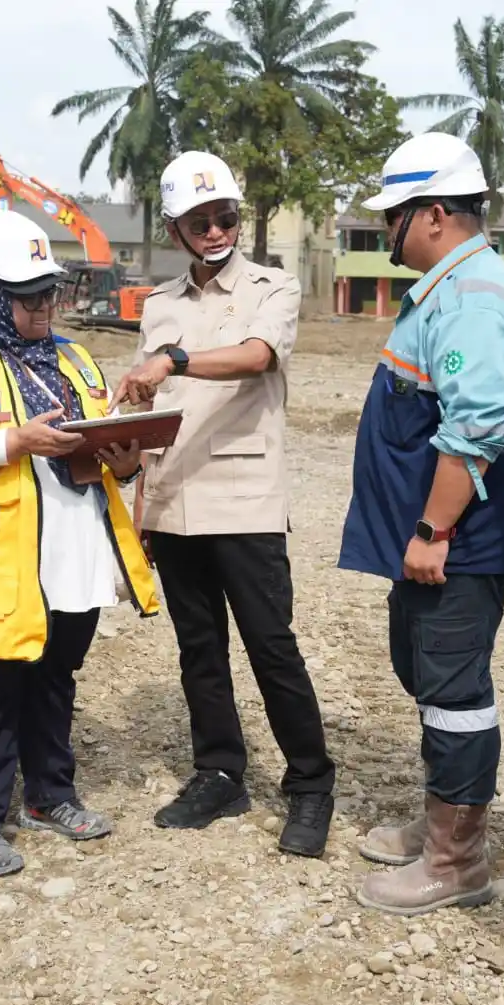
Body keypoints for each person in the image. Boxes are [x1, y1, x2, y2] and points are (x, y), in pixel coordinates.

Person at [0, 208, 159, 877]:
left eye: (49, 292)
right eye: (28, 296)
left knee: (53, 680)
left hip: (71, 558)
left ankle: (49, 795)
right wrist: (15, 440)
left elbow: (99, 444)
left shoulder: (70, 357)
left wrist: (125, 457)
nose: (44, 307)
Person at [336, 131, 504, 917]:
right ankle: (440, 826)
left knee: (455, 688)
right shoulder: (451, 290)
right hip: (437, 539)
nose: (386, 229)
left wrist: (433, 532)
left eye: (392, 213)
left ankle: (457, 860)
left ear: (431, 214)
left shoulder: (471, 297)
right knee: (426, 668)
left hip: (459, 540)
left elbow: (479, 425)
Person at [109, 150, 336, 858]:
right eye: (200, 221)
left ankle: (310, 784)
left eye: (225, 217)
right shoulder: (160, 305)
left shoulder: (274, 286)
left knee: (272, 646)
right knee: (198, 649)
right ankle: (219, 772)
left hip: (244, 497)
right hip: (174, 497)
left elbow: (256, 357)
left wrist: (170, 360)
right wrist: (134, 488)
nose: (215, 230)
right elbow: (156, 406)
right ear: (175, 229)